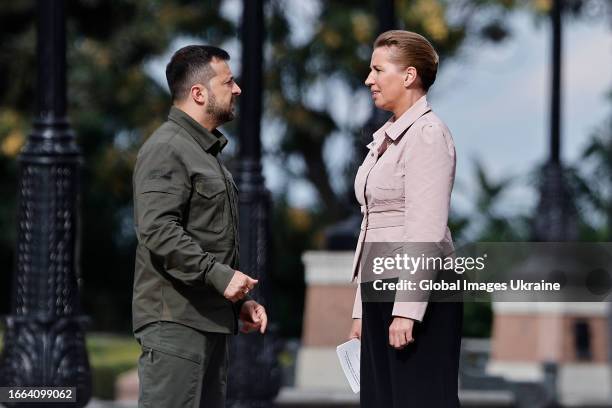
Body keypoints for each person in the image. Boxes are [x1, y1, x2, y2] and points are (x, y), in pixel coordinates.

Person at [132, 45, 268, 408]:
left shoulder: (205, 155)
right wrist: (221, 277)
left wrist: (235, 299)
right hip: (176, 327)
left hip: (207, 322)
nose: (237, 89)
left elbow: (206, 238)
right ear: (199, 93)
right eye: (228, 81)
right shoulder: (167, 148)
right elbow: (158, 230)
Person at [348, 30, 462, 407]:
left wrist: (408, 310)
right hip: (381, 288)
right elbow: (372, 225)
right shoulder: (386, 139)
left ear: (409, 76)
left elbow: (425, 228)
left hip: (417, 291)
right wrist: (361, 309)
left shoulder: (427, 135)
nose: (370, 80)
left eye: (378, 70)